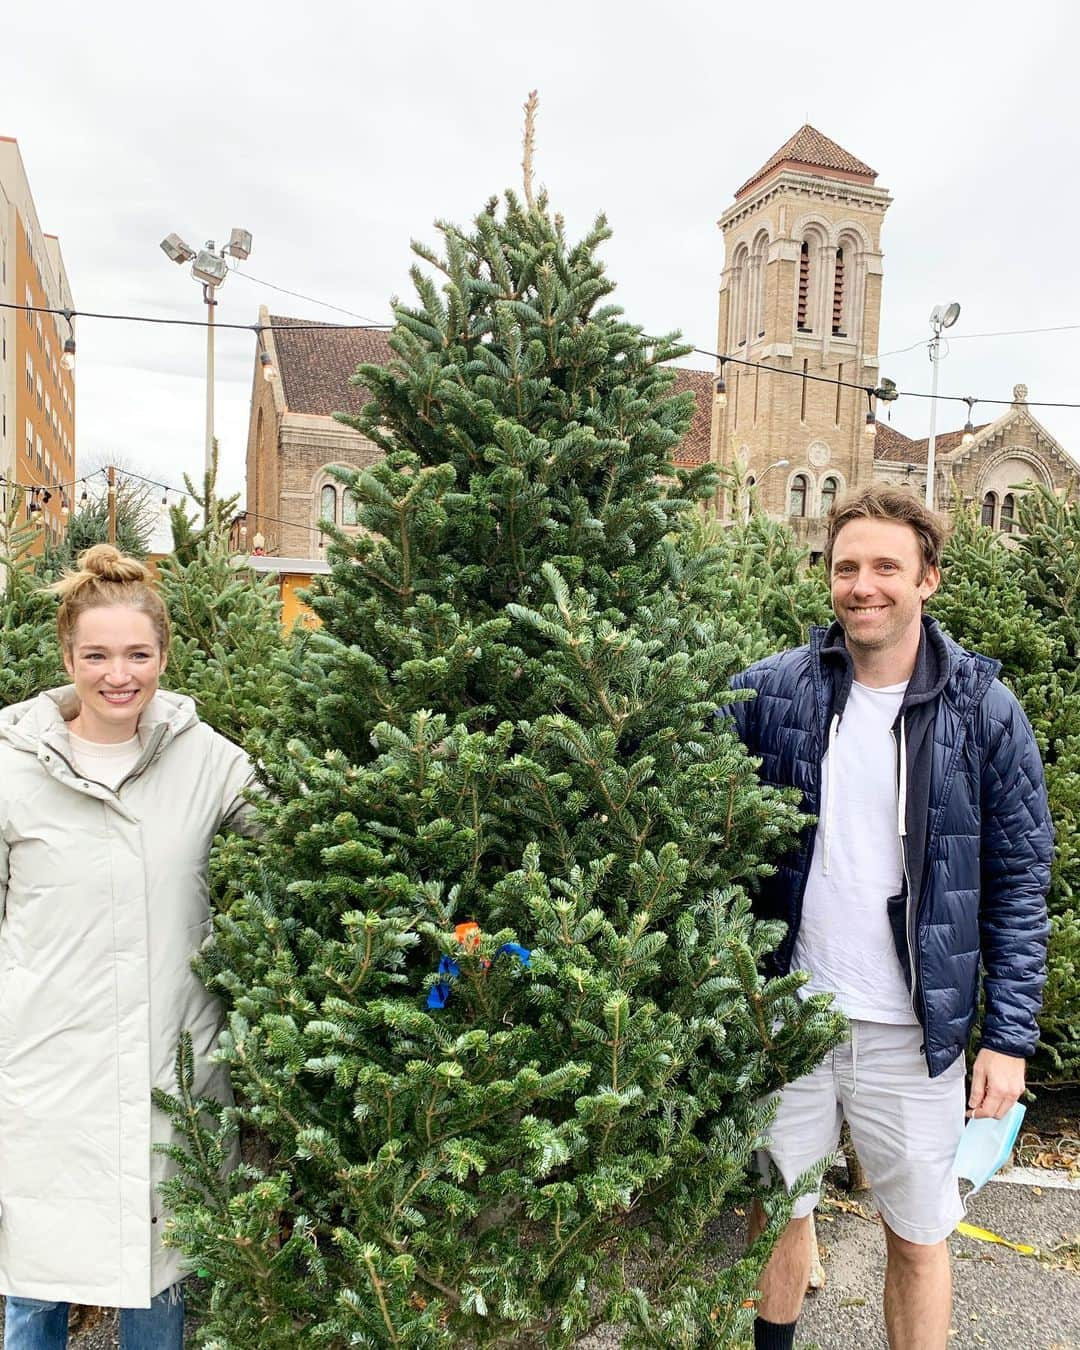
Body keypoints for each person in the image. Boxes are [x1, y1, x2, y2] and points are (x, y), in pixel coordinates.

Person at [728, 485, 1052, 1350]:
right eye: (846, 567)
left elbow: (1021, 882)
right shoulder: (771, 692)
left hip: (915, 1032)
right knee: (778, 1211)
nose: (862, 585)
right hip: (788, 1015)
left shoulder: (983, 710)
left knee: (916, 1234)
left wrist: (1007, 1037)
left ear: (928, 580)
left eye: (885, 567)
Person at [0, 544, 256, 1349]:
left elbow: (313, 831)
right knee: (32, 1296)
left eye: (138, 654)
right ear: (68, 658)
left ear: (164, 657)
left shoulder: (204, 757)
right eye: (98, 655)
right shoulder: (11, 767)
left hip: (167, 1075)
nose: (120, 675)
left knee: (160, 1286)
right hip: (45, 1076)